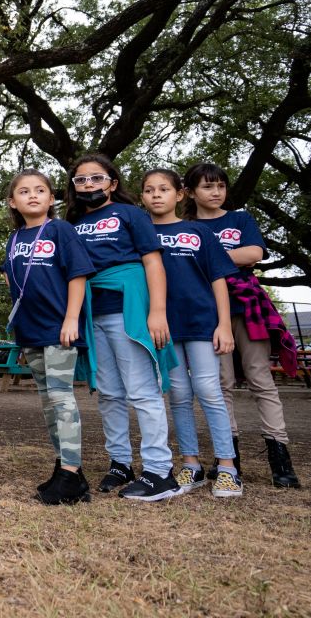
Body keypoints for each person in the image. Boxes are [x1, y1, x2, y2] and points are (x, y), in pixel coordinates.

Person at [65, 154, 180, 501]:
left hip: (128, 312)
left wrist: (157, 311)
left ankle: (160, 472)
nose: (88, 185)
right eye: (81, 180)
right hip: (91, 314)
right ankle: (120, 463)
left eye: (96, 178)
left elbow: (153, 262)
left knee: (142, 391)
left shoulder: (130, 215)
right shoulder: (70, 224)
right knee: (109, 393)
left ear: (112, 183)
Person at [182, 162, 301, 489]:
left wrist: (208, 255)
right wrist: (230, 256)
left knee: (261, 378)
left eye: (221, 185)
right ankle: (228, 458)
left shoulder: (240, 219)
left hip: (248, 306)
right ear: (191, 193)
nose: (216, 192)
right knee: (221, 384)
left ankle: (280, 459)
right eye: (207, 187)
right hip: (207, 311)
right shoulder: (186, 227)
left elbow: (254, 253)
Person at [141, 169, 243, 498]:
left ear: (180, 195)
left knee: (209, 390)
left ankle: (228, 468)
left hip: (202, 323)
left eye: (164, 189)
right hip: (164, 328)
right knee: (180, 395)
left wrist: (224, 324)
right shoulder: (139, 234)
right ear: (142, 197)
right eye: (149, 190)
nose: (157, 195)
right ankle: (191, 464)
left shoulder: (197, 231)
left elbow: (218, 279)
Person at [0, 169, 96, 505]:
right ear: (13, 201)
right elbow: (18, 288)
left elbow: (78, 275)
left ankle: (70, 473)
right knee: (46, 403)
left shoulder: (60, 230)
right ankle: (68, 470)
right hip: (31, 332)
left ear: (51, 198)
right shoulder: (14, 240)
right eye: (24, 191)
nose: (33, 195)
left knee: (61, 398)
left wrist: (71, 319)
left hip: (59, 329)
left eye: (41, 190)